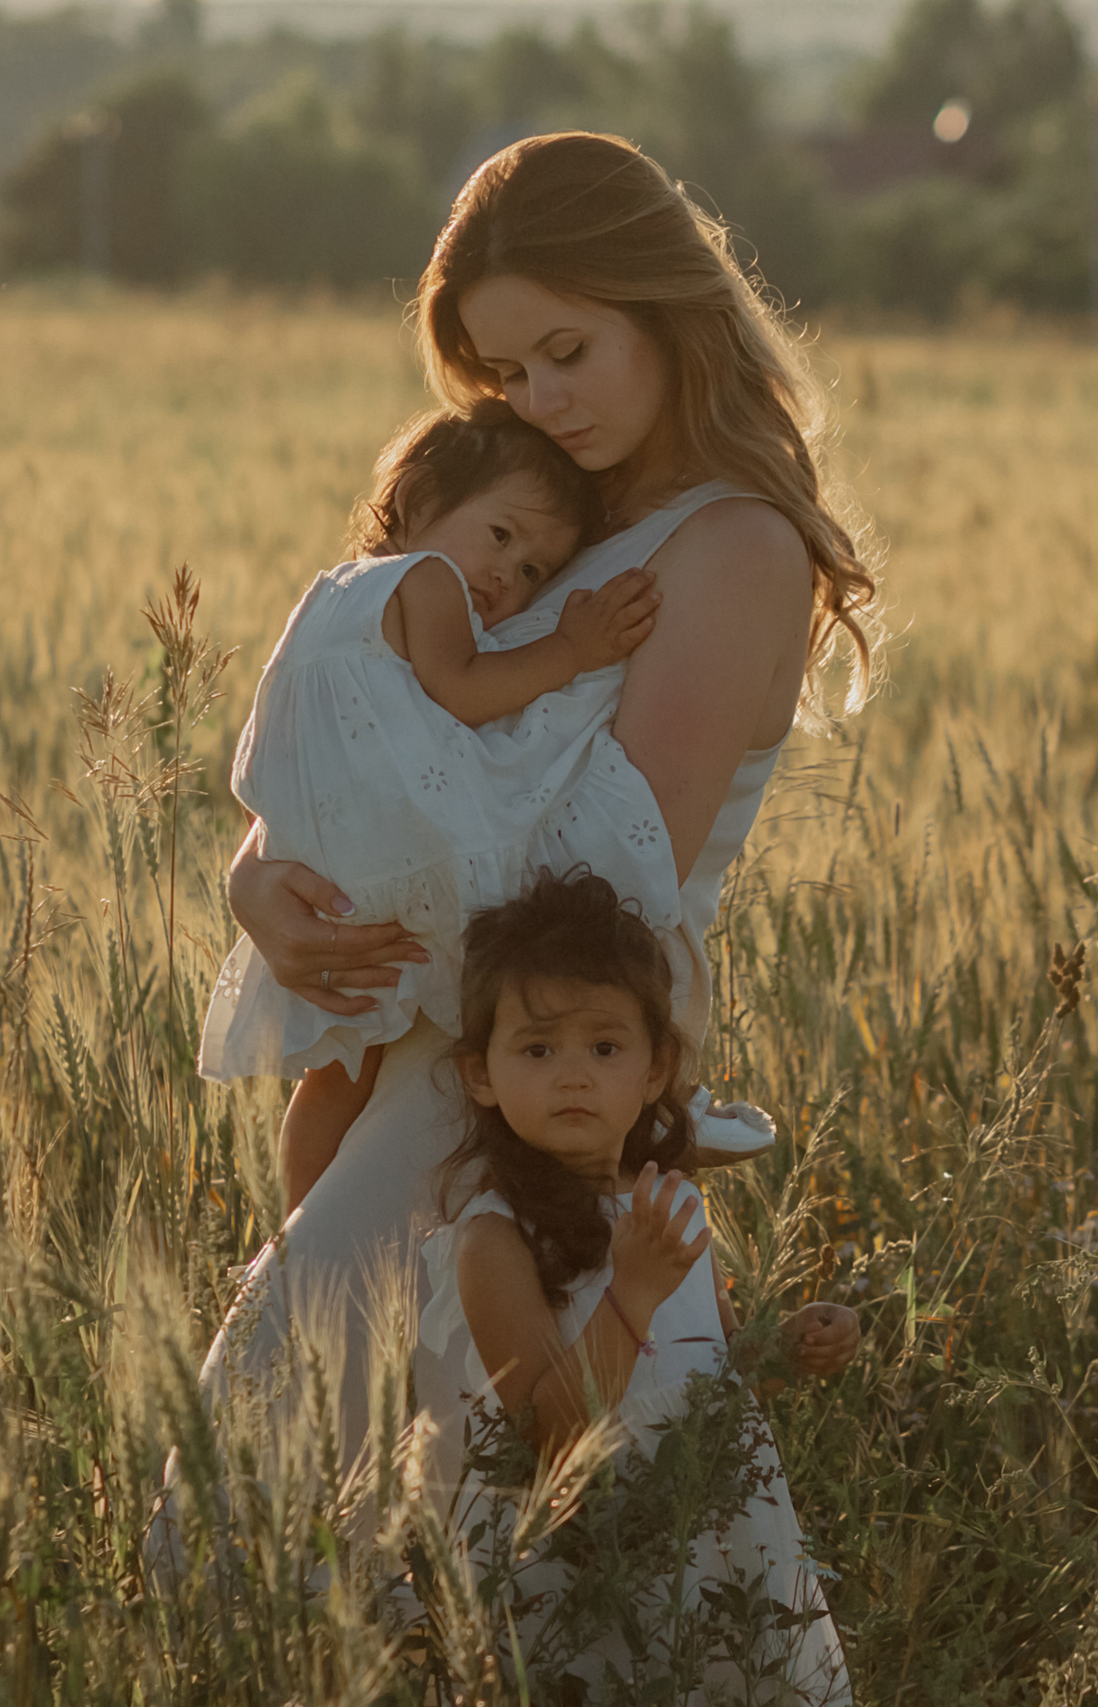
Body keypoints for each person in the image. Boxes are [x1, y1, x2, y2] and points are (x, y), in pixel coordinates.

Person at [174, 129, 880, 1499]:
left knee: (309, 1481)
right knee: (328, 1497)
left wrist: (363, 916)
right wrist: (259, 882)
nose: (539, 398)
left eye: (568, 350)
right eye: (507, 371)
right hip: (429, 1054)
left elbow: (598, 877)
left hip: (520, 1091)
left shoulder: (732, 546)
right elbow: (376, 735)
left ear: (667, 314)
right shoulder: (530, 526)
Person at [200, 398, 672, 1213]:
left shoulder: (328, 595)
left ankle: (299, 1230)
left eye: (533, 571)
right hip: (407, 858)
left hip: (335, 868)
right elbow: (461, 690)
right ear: (418, 503)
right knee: (494, 1039)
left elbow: (273, 739)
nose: (507, 575)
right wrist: (572, 649)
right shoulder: (427, 580)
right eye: (500, 535)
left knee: (340, 1077)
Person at [417, 871, 856, 1701]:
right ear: (480, 1073)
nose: (573, 1075)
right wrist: (632, 1291)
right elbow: (556, 1439)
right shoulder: (496, 1237)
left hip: (713, 1541)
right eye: (538, 1049)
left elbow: (715, 1369)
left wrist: (793, 1344)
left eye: (604, 1047)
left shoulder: (672, 1199)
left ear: (655, 1069)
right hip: (590, 1566)